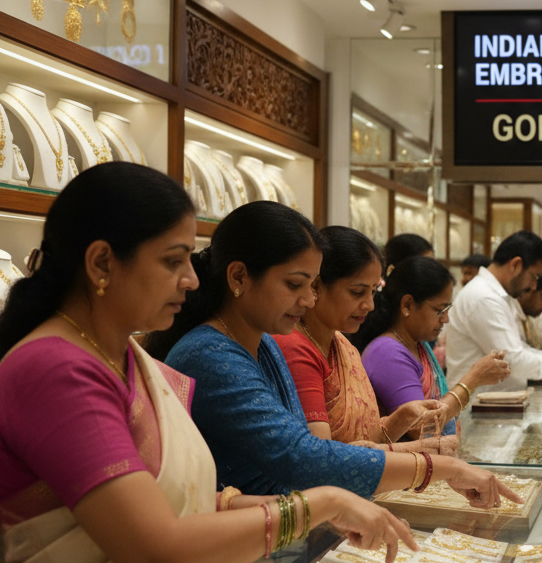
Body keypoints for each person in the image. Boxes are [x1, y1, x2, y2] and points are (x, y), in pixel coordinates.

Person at [0, 164, 414, 563]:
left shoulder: (122, 356)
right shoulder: (57, 369)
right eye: (171, 260)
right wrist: (322, 504)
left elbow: (185, 504)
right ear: (102, 262)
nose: (192, 279)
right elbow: (156, 552)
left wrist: (309, 512)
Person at [149, 202, 521, 511]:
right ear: (239, 277)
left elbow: (311, 451)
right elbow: (302, 457)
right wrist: (435, 467)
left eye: (310, 286)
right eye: (295, 285)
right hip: (246, 536)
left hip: (281, 521)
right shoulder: (210, 353)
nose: (308, 300)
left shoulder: (263, 343)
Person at [274, 227, 447, 450]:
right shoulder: (295, 346)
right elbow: (320, 456)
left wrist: (399, 419)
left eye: (373, 291)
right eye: (357, 292)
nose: (370, 305)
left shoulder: (343, 345)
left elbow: (367, 440)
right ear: (316, 286)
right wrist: (412, 451)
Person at [357, 255, 512, 439]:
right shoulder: (387, 353)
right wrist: (473, 379)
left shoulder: (418, 344)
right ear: (407, 305)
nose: (445, 319)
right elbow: (423, 429)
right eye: (440, 310)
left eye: (447, 310)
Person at [445, 230, 542, 394]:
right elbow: (513, 360)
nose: (533, 286)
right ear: (515, 265)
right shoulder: (484, 297)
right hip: (476, 407)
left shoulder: (498, 295)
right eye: (534, 277)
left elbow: (519, 350)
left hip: (494, 405)